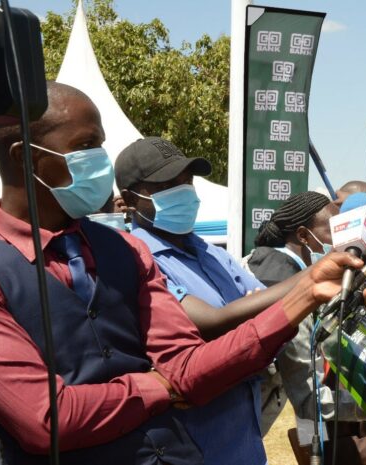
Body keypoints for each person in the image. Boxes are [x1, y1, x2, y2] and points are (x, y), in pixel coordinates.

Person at [0, 81, 366, 464]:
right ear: (24, 157)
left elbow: (187, 365)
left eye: (101, 144)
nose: (101, 159)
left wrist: (307, 291)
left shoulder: (124, 251)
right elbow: (48, 418)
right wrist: (155, 386)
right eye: (85, 146)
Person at [115, 136, 299, 462]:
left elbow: (273, 324)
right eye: (167, 184)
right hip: (193, 445)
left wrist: (251, 318)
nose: (184, 190)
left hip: (245, 440)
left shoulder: (213, 254)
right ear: (131, 198)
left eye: (187, 181)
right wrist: (309, 281)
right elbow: (207, 325)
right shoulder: (135, 258)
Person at [248, 192, 366, 465]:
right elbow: (310, 402)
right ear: (304, 236)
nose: (344, 243)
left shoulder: (259, 262)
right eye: (335, 232)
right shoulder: (294, 291)